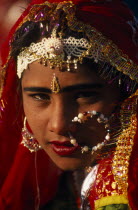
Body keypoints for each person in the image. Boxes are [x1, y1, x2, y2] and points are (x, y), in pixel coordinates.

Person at [0, 0, 137, 209]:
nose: (59, 125)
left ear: (128, 92)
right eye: (39, 96)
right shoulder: (50, 188)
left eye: (84, 95)